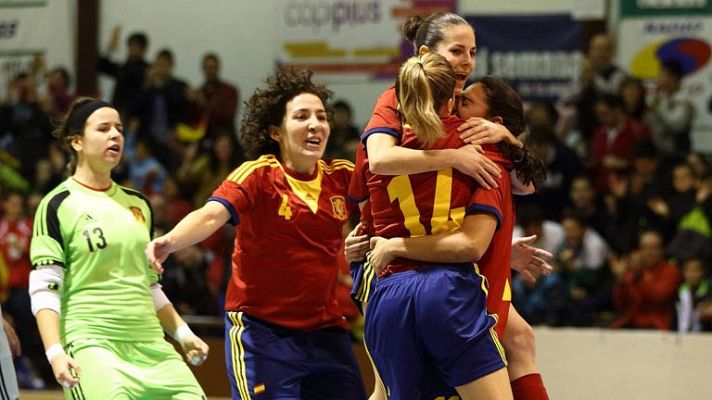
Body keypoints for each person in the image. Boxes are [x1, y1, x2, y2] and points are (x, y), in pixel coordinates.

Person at [347, 12, 550, 400]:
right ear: (427, 54)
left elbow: (362, 186)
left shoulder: (451, 129)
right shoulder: (463, 138)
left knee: (517, 338)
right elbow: (523, 188)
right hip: (438, 277)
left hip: (390, 281)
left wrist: (506, 137)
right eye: (457, 51)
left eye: (472, 51)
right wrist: (460, 155)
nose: (468, 61)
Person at [145, 67, 366, 400]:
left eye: (321, 117)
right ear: (276, 131)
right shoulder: (259, 175)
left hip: (325, 332)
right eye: (302, 116)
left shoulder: (342, 176)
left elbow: (386, 208)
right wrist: (170, 242)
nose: (314, 124)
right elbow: (210, 215)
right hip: (263, 334)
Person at [28, 98, 208, 399]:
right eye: (103, 128)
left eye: (119, 129)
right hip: (91, 343)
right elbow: (44, 288)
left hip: (151, 344)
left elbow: (148, 283)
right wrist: (55, 351)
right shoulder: (57, 204)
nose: (116, 135)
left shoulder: (139, 204)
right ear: (77, 142)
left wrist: (183, 333)